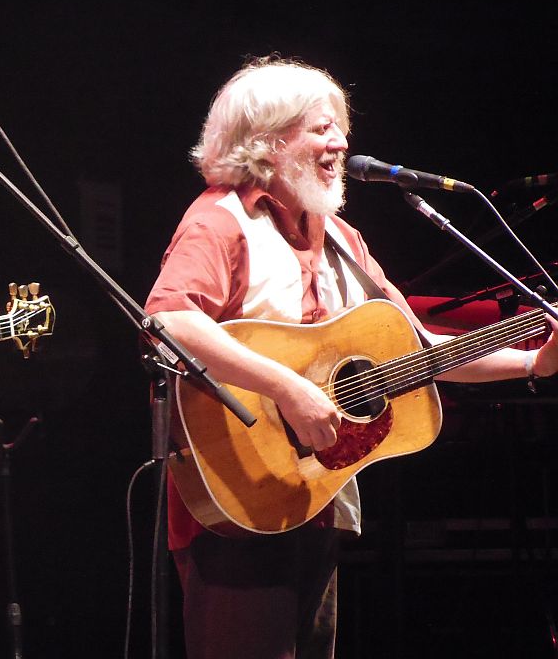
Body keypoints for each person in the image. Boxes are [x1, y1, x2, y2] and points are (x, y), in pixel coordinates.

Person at [144, 57, 558, 659]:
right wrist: (289, 387)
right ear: (266, 140)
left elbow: (419, 349)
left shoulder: (342, 237)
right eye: (321, 129)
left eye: (341, 127)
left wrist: (532, 363)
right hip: (237, 493)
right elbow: (168, 322)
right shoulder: (220, 220)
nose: (340, 142)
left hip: (316, 496)